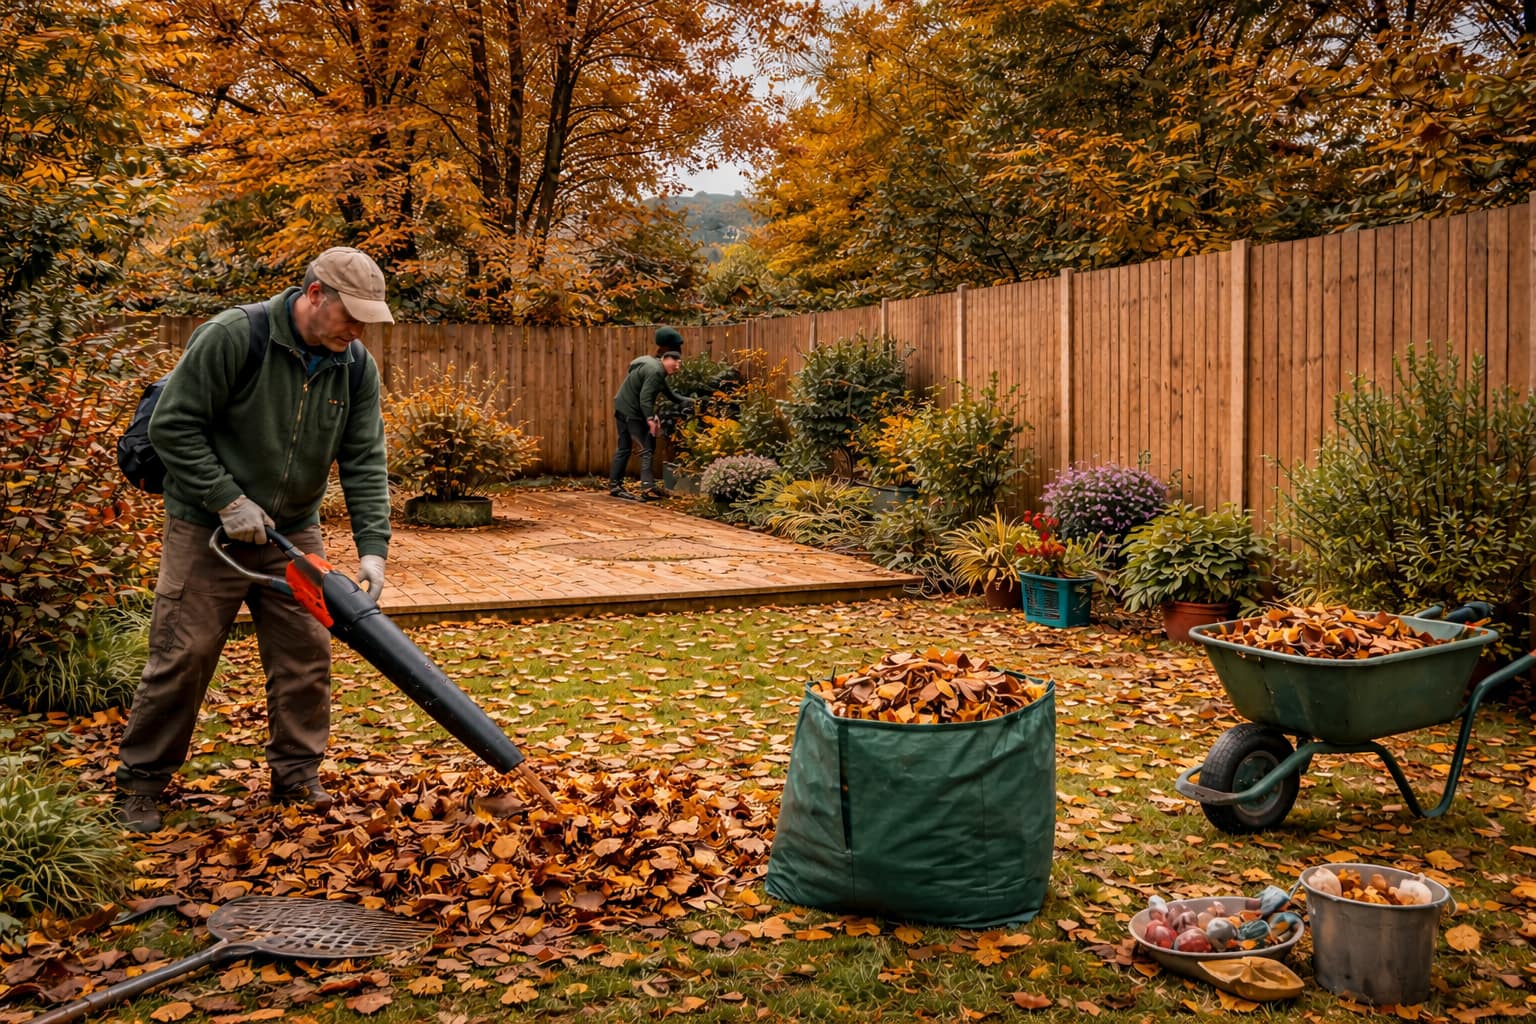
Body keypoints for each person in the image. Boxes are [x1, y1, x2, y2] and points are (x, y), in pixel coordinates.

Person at [113, 247, 395, 832]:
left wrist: (373, 548)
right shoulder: (233, 336)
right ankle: (140, 784)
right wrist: (225, 498)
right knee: (182, 654)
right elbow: (173, 425)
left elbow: (364, 459)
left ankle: (296, 775)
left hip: (292, 530)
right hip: (205, 529)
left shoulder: (355, 364)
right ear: (316, 295)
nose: (359, 328)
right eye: (353, 314)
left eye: (369, 318)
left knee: (305, 657)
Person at [609, 326, 690, 501]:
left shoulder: (648, 362)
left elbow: (669, 394)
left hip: (621, 406)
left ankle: (615, 485)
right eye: (677, 350)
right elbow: (645, 398)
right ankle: (647, 488)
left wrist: (691, 401)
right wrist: (650, 419)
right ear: (668, 350)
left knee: (624, 447)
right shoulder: (656, 370)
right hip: (632, 411)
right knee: (648, 447)